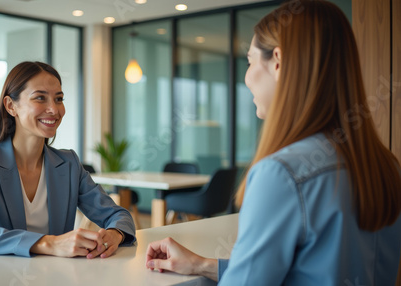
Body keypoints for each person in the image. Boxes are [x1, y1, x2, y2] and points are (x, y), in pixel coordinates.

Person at [145, 1, 401, 285]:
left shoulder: (281, 174)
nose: (247, 78)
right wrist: (201, 264)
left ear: (277, 62)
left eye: (250, 60)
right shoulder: (386, 166)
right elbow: (305, 271)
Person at [0, 61, 135, 258]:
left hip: (50, 274)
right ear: (11, 106)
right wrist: (50, 243)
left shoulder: (69, 163)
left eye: (59, 99)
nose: (54, 110)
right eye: (40, 98)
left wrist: (114, 234)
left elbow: (118, 215)